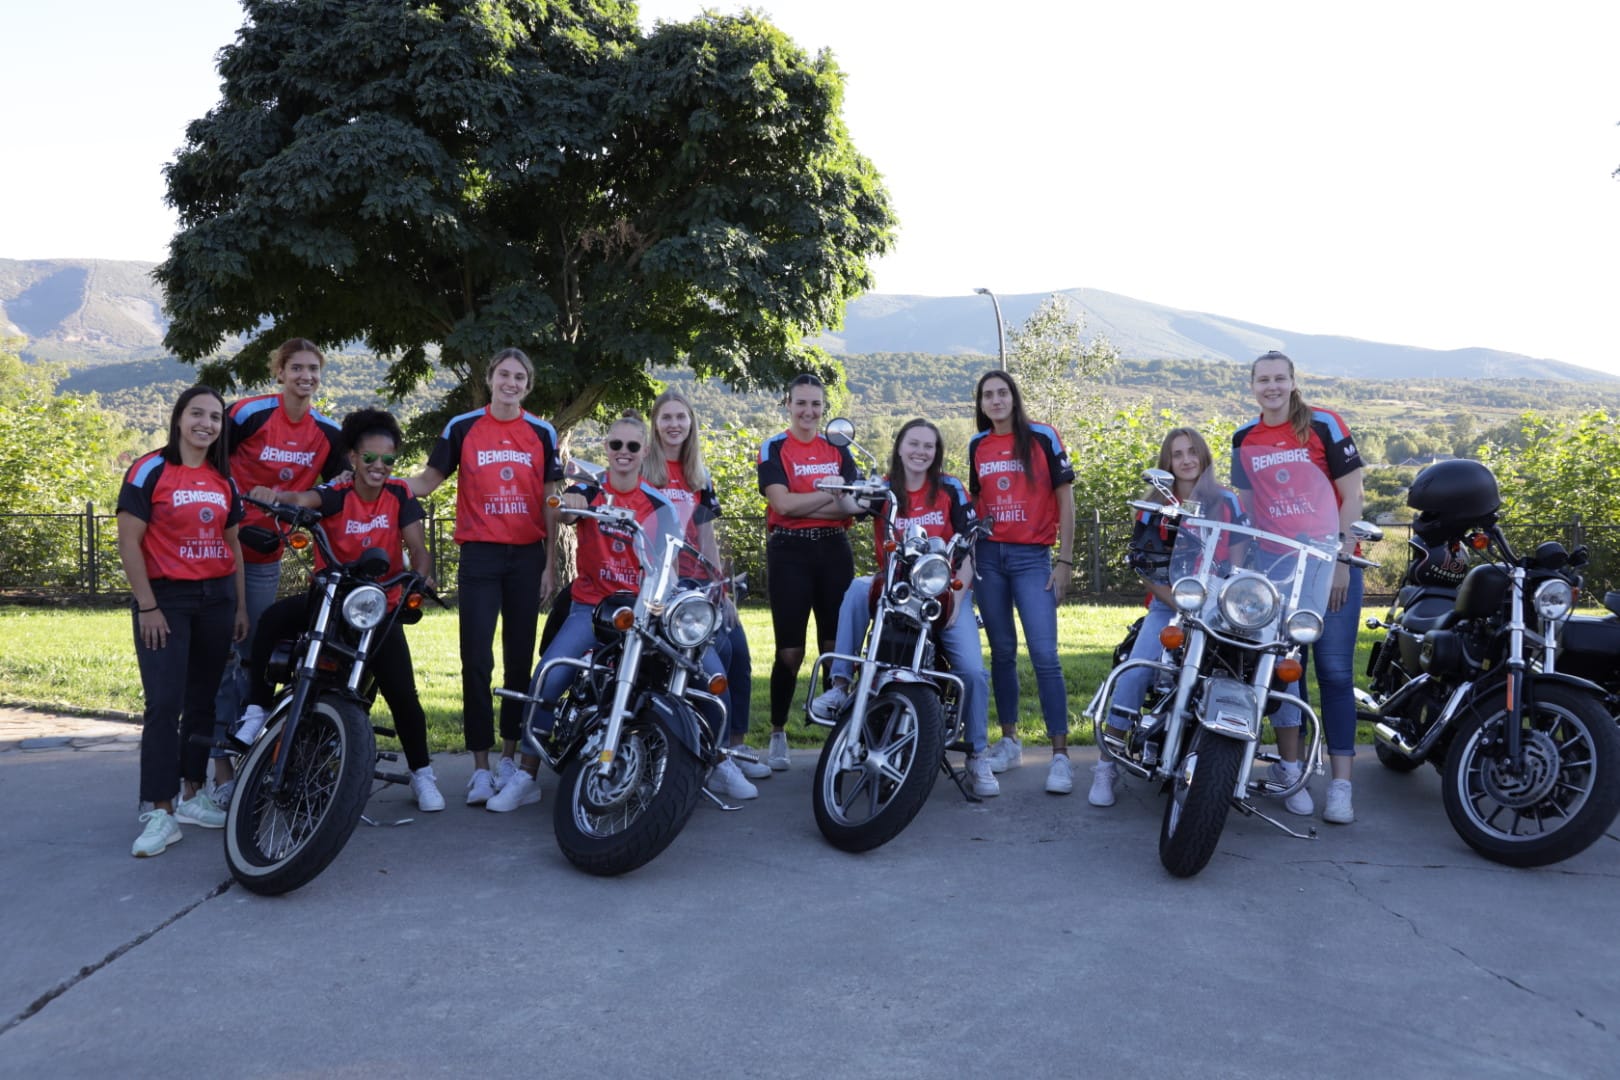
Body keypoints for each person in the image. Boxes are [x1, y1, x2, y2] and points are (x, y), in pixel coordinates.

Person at [240, 409, 443, 811]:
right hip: (330, 600)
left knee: (402, 693)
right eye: (370, 458)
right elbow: (303, 499)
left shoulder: (400, 494)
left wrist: (417, 578)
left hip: (377, 607)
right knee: (271, 620)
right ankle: (256, 708)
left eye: (387, 459)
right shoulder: (336, 493)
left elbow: (418, 550)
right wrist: (275, 496)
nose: (379, 466)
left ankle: (423, 774)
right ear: (353, 458)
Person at [485, 412, 688, 812]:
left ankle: (697, 764)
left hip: (640, 616)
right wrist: (570, 504)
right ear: (606, 449)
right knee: (549, 676)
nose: (624, 453)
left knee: (681, 681)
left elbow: (672, 568)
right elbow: (564, 511)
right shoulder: (589, 493)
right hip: (591, 608)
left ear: (645, 451)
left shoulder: (659, 504)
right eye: (616, 445)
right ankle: (527, 775)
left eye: (632, 446)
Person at [808, 419, 999, 797]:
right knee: (855, 591)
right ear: (899, 447)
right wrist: (839, 488)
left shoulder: (950, 488)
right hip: (893, 586)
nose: (920, 452)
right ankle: (841, 685)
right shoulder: (884, 487)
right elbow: (851, 503)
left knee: (974, 673)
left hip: (943, 592)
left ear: (936, 452)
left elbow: (969, 549)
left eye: (928, 446)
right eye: (914, 443)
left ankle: (977, 753)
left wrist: (958, 600)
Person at [406, 348, 563, 806]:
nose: (510, 383)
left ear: (528, 387)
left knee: (518, 662)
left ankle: (509, 759)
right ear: (490, 378)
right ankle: (479, 767)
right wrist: (378, 479)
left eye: (520, 377)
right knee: (475, 660)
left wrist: (550, 563)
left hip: (527, 558)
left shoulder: (542, 431)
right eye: (503, 375)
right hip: (479, 556)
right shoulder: (463, 427)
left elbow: (551, 503)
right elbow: (427, 481)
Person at [1232, 350, 1366, 824]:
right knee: (1285, 673)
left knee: (1333, 674)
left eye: (1279, 378)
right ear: (1252, 386)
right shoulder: (1243, 438)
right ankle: (1293, 771)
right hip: (1277, 569)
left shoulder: (1325, 424)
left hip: (1330, 563)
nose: (1271, 386)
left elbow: (1353, 496)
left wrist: (1343, 562)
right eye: (1262, 380)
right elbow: (1247, 513)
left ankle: (1341, 785)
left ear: (1292, 382)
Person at [117, 386, 249, 857]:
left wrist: (237, 607)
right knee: (163, 704)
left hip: (214, 599)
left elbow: (232, 546)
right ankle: (158, 809)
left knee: (202, 703)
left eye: (215, 418)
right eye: (197, 414)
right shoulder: (150, 468)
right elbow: (129, 542)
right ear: (178, 419)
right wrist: (148, 605)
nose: (206, 424)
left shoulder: (224, 480)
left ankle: (193, 794)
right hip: (166, 601)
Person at [1089, 427, 1246, 807]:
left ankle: (1234, 764)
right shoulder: (1153, 504)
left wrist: (1221, 605)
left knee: (1247, 667)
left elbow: (1238, 562)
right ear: (1167, 462)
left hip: (1219, 608)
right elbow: (1145, 568)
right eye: (1177, 454)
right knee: (1138, 667)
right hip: (1169, 603)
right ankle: (1106, 763)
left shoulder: (1228, 501)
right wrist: (1182, 607)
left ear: (1204, 456)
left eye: (1192, 452)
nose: (1187, 460)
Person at [213, 338, 343, 797]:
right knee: (223, 658)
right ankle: (218, 771)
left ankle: (250, 763)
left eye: (314, 369)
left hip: (267, 552)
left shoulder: (326, 431)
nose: (306, 376)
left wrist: (296, 498)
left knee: (253, 657)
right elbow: (206, 457)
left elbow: (341, 485)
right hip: (219, 548)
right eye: (297, 368)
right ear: (280, 372)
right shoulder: (249, 413)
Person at [644, 387, 768, 801]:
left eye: (682, 417)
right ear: (656, 423)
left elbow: (708, 536)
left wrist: (721, 588)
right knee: (715, 660)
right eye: (667, 417)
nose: (675, 424)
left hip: (699, 583)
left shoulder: (700, 473)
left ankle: (735, 743)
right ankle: (717, 761)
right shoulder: (644, 471)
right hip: (664, 586)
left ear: (691, 423)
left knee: (739, 649)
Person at [966, 370, 1078, 794]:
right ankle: (1010, 741)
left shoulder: (1043, 437)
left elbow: (1065, 498)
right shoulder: (978, 445)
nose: (995, 401)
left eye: (1002, 393)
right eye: (987, 395)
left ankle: (1061, 756)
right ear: (981, 404)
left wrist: (1064, 560)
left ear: (1014, 397)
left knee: (1045, 655)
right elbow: (976, 503)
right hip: (989, 559)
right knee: (1003, 653)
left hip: (1034, 558)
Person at [755, 373, 860, 771]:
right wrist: (829, 496)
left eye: (815, 404)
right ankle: (778, 731)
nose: (808, 411)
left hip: (834, 549)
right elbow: (781, 505)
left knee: (836, 650)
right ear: (788, 404)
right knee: (790, 652)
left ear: (823, 408)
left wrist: (808, 503)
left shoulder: (838, 446)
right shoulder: (775, 446)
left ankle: (839, 741)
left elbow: (851, 507)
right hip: (788, 551)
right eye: (801, 403)